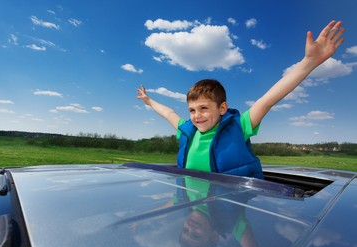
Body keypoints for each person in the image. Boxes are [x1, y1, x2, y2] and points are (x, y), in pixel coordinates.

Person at [136, 20, 345, 178]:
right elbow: (169, 113)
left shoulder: (240, 126)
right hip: (194, 205)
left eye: (203, 108)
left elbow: (268, 99)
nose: (196, 116)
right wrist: (148, 101)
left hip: (230, 208)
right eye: (192, 110)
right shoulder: (186, 130)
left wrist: (308, 63)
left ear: (222, 108)